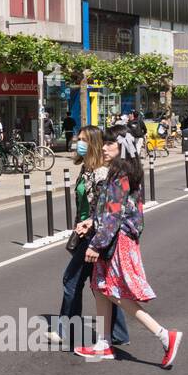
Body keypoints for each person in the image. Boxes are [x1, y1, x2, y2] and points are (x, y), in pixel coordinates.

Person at [75, 126, 183, 368]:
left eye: (109, 143)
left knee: (116, 292)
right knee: (100, 287)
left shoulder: (120, 175)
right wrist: (92, 221)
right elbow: (114, 210)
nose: (103, 147)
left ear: (122, 146)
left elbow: (113, 215)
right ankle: (103, 343)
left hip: (117, 240)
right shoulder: (122, 172)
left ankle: (164, 335)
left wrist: (96, 244)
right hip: (116, 237)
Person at [51, 125, 129, 348]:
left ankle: (67, 329)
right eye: (78, 139)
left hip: (94, 235)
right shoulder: (86, 169)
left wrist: (92, 229)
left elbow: (106, 209)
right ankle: (119, 333)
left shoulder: (102, 172)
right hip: (85, 231)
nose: (79, 143)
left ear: (94, 143)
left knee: (71, 280)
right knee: (99, 285)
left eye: (84, 139)